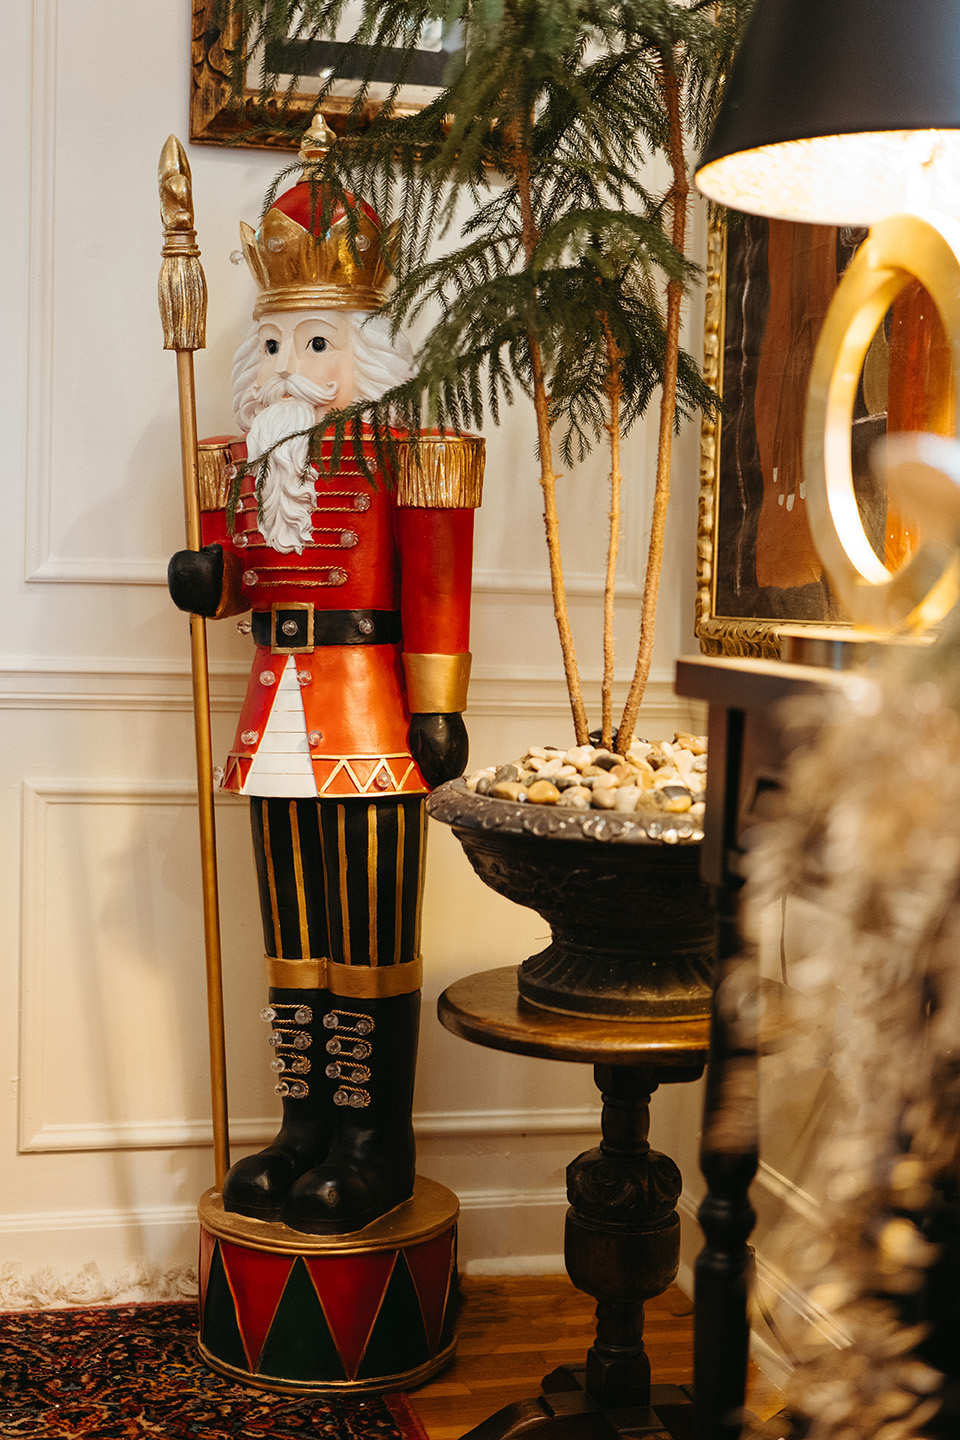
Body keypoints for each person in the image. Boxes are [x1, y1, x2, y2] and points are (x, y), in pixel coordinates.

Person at [168, 119, 482, 1235]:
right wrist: (207, 578)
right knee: (294, 938)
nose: (288, 367)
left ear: (368, 351)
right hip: (276, 719)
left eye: (315, 343)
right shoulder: (243, 464)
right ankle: (303, 1129)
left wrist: (439, 705)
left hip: (371, 716)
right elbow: (238, 581)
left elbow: (436, 580)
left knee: (370, 938)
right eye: (275, 345)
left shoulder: (409, 452)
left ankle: (372, 1143)